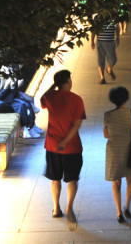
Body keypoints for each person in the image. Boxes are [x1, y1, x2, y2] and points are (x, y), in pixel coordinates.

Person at [40, 69, 86, 224]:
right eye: (69, 80)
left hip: (52, 146)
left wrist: (53, 86)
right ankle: (69, 208)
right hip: (72, 147)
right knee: (72, 179)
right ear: (67, 82)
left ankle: (55, 208)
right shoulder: (77, 99)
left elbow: (41, 98)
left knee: (55, 178)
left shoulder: (50, 97)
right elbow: (77, 124)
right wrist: (66, 142)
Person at [104, 86, 131, 223]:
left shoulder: (107, 115)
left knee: (116, 182)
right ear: (126, 99)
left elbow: (105, 134)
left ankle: (119, 212)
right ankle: (127, 206)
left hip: (113, 152)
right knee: (130, 180)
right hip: (129, 151)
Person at [92, 19, 119, 84]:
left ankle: (109, 69)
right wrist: (92, 41)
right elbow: (94, 30)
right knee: (100, 60)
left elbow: (117, 28)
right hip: (100, 41)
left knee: (113, 60)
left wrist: (117, 37)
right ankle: (102, 78)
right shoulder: (98, 18)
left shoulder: (112, 17)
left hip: (110, 41)